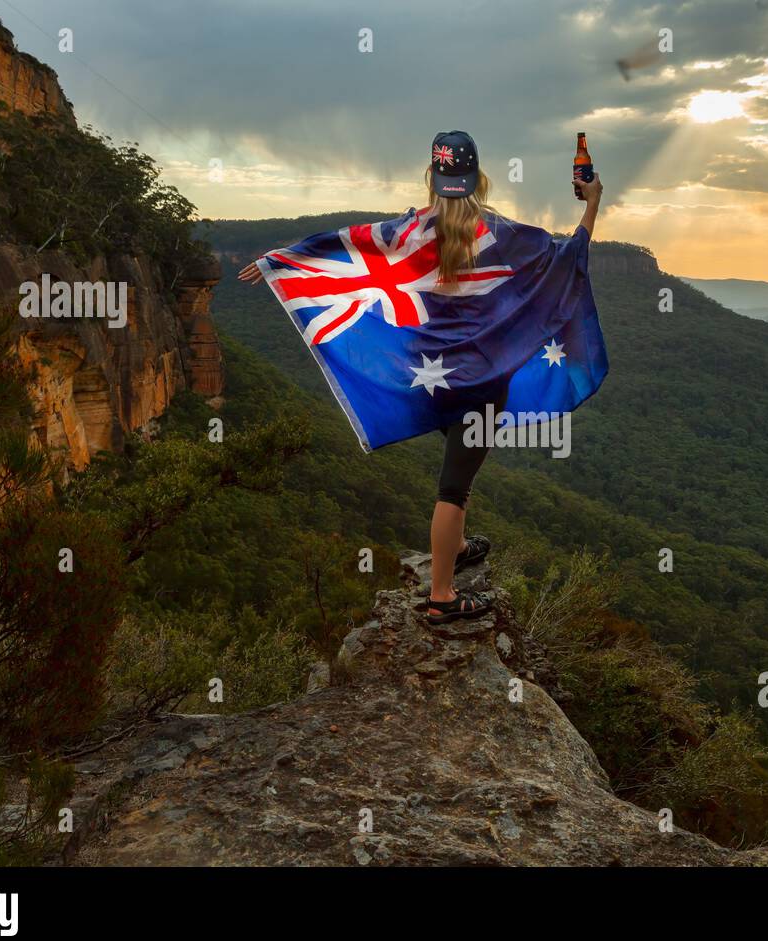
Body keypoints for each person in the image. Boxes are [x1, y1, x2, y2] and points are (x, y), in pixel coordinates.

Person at [239, 130, 604, 625]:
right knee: (455, 485)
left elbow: (350, 246)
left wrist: (281, 260)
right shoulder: (503, 234)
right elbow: (564, 259)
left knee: (459, 476)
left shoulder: (410, 231)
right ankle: (442, 596)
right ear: (478, 178)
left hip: (430, 379)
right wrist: (592, 203)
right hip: (484, 381)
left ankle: (455, 548)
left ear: (432, 177)